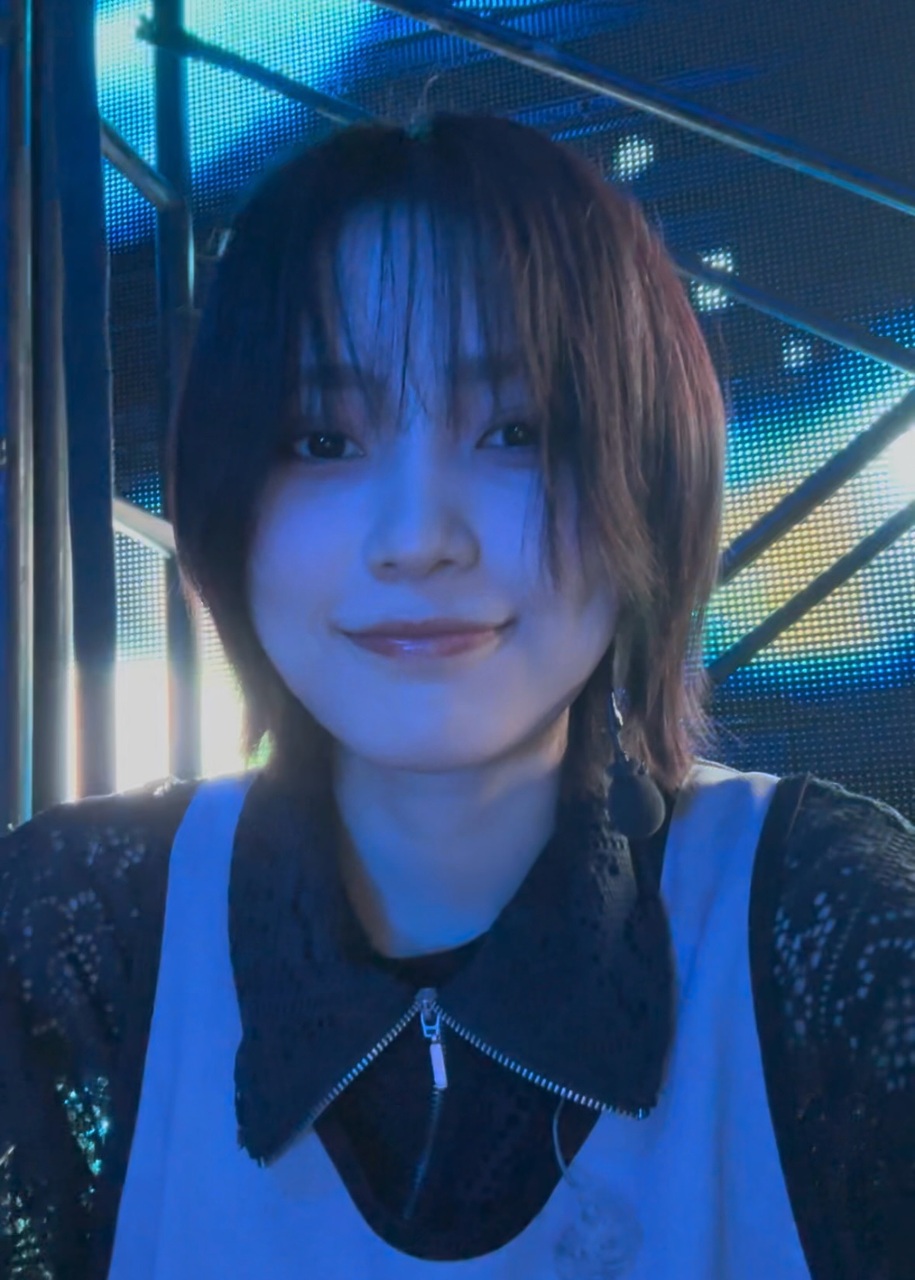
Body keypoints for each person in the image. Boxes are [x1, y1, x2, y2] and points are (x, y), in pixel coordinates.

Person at [1, 112, 913, 1280]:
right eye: (322, 439)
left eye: (517, 431)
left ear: (653, 476)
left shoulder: (821, 926)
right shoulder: (76, 938)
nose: (417, 537)